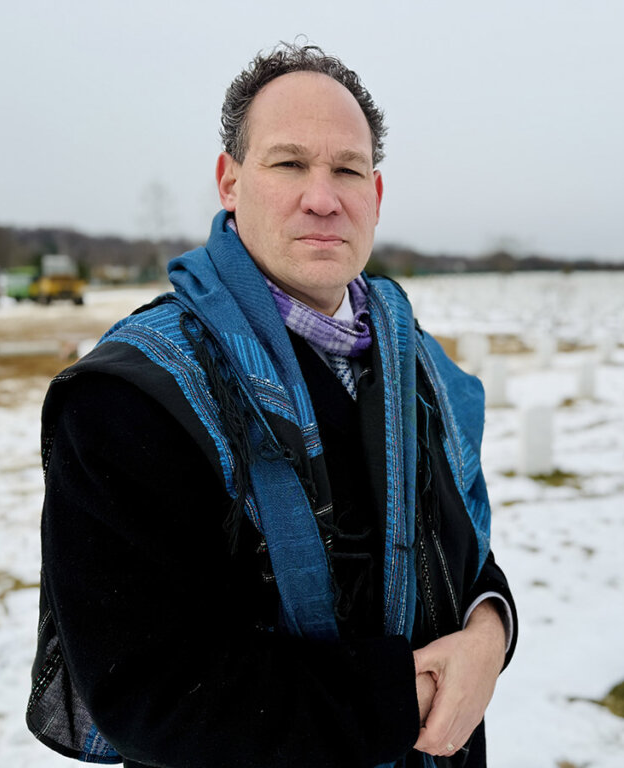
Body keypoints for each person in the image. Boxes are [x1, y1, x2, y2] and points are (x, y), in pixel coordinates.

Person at [26, 43, 516, 768]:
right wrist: (396, 700)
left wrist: (490, 633)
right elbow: (146, 692)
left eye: (347, 168)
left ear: (375, 196)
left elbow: (463, 554)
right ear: (230, 182)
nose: (323, 196)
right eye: (289, 163)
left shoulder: (420, 362)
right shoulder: (131, 396)